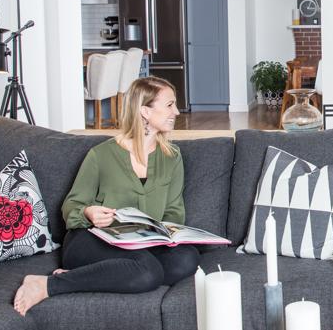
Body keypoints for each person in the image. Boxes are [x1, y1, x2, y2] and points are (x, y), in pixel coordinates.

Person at [13, 76, 200, 316]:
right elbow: (72, 207)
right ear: (144, 110)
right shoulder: (100, 155)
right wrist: (88, 212)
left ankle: (97, 276)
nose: (176, 111)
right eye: (169, 105)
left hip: (143, 244)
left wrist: (164, 233)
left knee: (186, 260)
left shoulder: (172, 157)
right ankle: (46, 285)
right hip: (93, 240)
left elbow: (174, 210)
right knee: (147, 272)